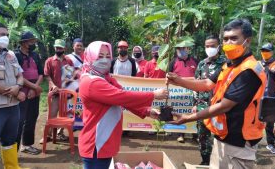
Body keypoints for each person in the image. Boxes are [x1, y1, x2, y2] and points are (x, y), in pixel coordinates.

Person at [167, 19, 267, 168]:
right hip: (223, 135)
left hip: (238, 142)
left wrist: (188, 118)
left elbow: (224, 106)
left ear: (247, 41)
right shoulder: (229, 64)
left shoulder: (249, 70)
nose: (228, 43)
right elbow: (207, 83)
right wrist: (179, 80)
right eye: (226, 39)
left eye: (234, 38)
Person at [78, 41, 168, 169]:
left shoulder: (106, 78)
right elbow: (122, 96)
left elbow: (123, 100)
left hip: (105, 140)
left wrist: (147, 111)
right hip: (96, 144)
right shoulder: (91, 82)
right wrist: (153, 94)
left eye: (107, 56)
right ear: (90, 57)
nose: (104, 60)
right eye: (99, 56)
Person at [0, 22, 26, 168]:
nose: (6, 38)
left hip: (12, 108)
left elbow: (20, 75)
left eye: (7, 35)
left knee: (10, 141)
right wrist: (15, 92)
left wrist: (18, 86)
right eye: (2, 35)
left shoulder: (10, 54)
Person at [193, 35, 225, 165]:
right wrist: (195, 103)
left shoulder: (226, 63)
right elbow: (196, 84)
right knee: (202, 136)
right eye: (207, 46)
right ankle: (205, 161)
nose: (210, 48)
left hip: (219, 107)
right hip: (202, 107)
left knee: (219, 136)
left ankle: (218, 162)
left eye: (212, 46)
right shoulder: (202, 64)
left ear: (219, 46)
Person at [39, 39, 74, 144]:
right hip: (54, 93)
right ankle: (48, 134)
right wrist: (53, 85)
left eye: (60, 48)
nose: (58, 49)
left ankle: (60, 133)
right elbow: (47, 75)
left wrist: (69, 85)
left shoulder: (68, 61)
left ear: (64, 48)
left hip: (65, 93)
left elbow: (70, 75)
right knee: (51, 114)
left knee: (64, 114)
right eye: (57, 47)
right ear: (54, 48)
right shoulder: (49, 61)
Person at [15, 31, 43, 155]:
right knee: (19, 120)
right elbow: (17, 75)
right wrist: (32, 87)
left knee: (32, 117)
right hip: (21, 92)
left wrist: (35, 88)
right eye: (31, 41)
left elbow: (41, 73)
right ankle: (13, 150)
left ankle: (27, 145)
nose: (33, 43)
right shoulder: (15, 55)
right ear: (24, 42)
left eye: (33, 41)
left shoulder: (35, 55)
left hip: (34, 91)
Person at [168, 41, 198, 143]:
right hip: (179, 93)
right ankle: (181, 134)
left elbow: (199, 76)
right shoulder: (173, 62)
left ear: (188, 49)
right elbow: (168, 75)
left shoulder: (195, 61)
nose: (181, 51)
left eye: (183, 48)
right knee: (181, 111)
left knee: (193, 111)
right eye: (179, 49)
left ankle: (195, 134)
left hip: (193, 91)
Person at [260, 43, 275, 155]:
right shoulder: (258, 64)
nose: (265, 52)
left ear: (272, 52)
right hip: (258, 97)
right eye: (263, 50)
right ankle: (251, 142)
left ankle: (271, 144)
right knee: (255, 120)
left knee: (270, 121)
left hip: (271, 97)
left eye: (267, 51)